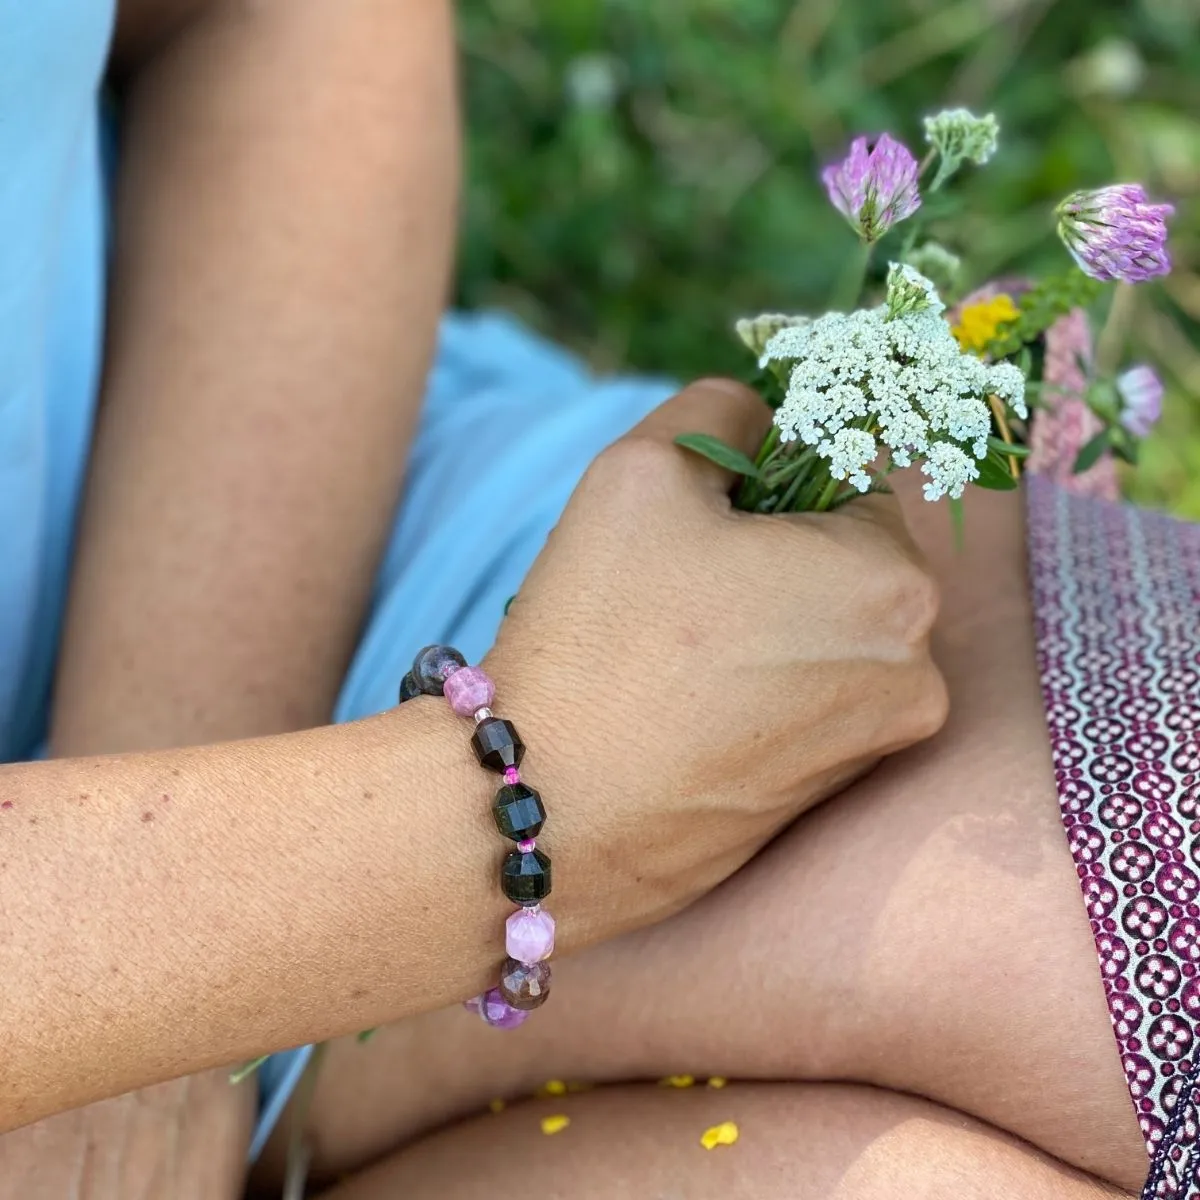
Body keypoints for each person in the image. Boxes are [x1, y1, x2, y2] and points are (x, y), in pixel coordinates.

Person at [0, 0, 946, 1195]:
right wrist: (554, 796)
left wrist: (165, 929)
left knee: (1106, 925)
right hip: (380, 823)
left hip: (215, 526)